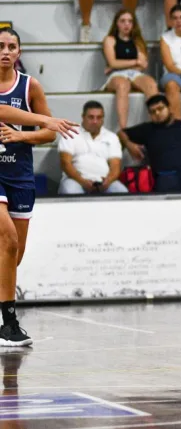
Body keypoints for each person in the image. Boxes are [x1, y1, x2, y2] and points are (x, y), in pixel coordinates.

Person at [0, 28, 77, 347]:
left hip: (20, 173)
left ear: (19, 52)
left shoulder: (31, 85)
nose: (5, 51)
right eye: (0, 46)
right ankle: (9, 323)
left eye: (11, 46)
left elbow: (49, 135)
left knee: (12, 255)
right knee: (7, 238)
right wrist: (45, 121)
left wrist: (23, 135)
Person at [120, 94, 181, 193]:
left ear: (169, 108)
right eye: (153, 112)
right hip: (167, 175)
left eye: (160, 108)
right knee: (166, 201)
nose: (157, 113)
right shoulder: (147, 129)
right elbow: (121, 133)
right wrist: (129, 145)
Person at [102, 8, 159, 130]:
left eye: (129, 21)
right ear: (116, 23)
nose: (126, 24)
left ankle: (157, 124)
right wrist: (134, 61)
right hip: (117, 74)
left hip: (135, 74)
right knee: (123, 85)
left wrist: (119, 64)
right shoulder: (110, 40)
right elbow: (112, 62)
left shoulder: (137, 41)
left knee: (151, 84)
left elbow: (143, 65)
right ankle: (123, 129)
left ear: (133, 24)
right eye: (122, 21)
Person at [58, 100, 128, 195]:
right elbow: (65, 164)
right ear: (83, 117)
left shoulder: (112, 137)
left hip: (103, 182)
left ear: (103, 119)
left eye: (99, 117)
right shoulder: (70, 134)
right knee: (71, 192)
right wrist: (83, 181)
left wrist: (108, 181)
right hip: (75, 180)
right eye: (91, 117)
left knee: (122, 193)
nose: (95, 121)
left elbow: (115, 166)